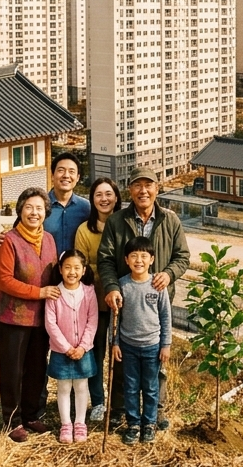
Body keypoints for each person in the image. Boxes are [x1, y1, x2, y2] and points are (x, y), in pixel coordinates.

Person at [96, 165, 189, 430]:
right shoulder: (117, 221)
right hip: (124, 299)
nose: (143, 190)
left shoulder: (170, 220)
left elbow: (182, 257)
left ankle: (155, 412)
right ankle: (119, 410)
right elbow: (105, 259)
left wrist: (169, 274)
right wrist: (112, 287)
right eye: (138, 185)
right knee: (121, 357)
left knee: (157, 358)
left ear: (157, 189)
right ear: (130, 189)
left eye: (148, 185)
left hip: (156, 301)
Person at [0, 187, 60, 441]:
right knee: (12, 370)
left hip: (41, 318)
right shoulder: (9, 241)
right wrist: (39, 292)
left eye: (39, 208)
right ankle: (12, 420)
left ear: (46, 213)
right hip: (13, 318)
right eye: (29, 207)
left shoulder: (49, 239)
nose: (34, 213)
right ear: (20, 210)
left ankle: (31, 415)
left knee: (36, 368)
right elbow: (5, 281)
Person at [111, 236, 171, 445]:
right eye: (134, 256)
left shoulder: (157, 285)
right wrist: (115, 343)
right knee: (130, 387)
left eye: (144, 256)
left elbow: (166, 316)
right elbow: (115, 319)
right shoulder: (122, 285)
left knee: (151, 388)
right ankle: (133, 424)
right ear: (126, 260)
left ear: (152, 259)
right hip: (128, 346)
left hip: (152, 347)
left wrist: (166, 345)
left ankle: (149, 424)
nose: (139, 260)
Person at [72, 177, 120, 422]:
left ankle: (120, 403)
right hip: (95, 303)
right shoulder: (84, 230)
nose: (104, 199)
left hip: (122, 302)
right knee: (96, 352)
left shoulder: (124, 225)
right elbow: (81, 267)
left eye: (109, 194)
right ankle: (98, 401)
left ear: (116, 197)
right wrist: (105, 271)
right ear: (92, 199)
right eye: (98, 194)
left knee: (121, 354)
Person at [44, 249, 99, 444]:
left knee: (82, 386)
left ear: (84, 270)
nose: (72, 272)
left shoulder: (89, 292)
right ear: (60, 269)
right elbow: (50, 324)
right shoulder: (54, 293)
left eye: (77, 268)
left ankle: (80, 423)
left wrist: (83, 346)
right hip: (62, 351)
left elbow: (92, 320)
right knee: (64, 387)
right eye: (67, 267)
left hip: (84, 350)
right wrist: (66, 347)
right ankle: (66, 424)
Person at [44, 152, 91, 251]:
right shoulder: (40, 206)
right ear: (52, 175)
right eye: (61, 170)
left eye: (71, 171)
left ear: (77, 178)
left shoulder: (86, 208)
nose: (66, 175)